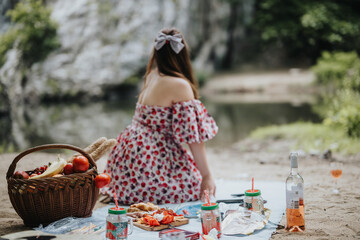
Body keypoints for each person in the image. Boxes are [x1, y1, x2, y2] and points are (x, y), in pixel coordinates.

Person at [101, 28, 218, 205]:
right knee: (194, 189)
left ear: (156, 53)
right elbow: (193, 138)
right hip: (149, 156)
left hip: (127, 154)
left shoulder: (151, 75)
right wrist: (207, 176)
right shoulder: (179, 84)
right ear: (182, 54)